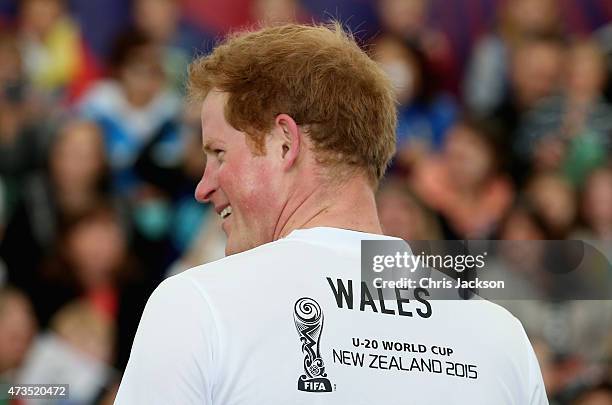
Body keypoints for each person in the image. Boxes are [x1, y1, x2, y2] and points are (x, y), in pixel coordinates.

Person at [115, 23, 548, 404]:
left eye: (219, 154)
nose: (203, 185)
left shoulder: (196, 306)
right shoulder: (501, 340)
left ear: (285, 142)